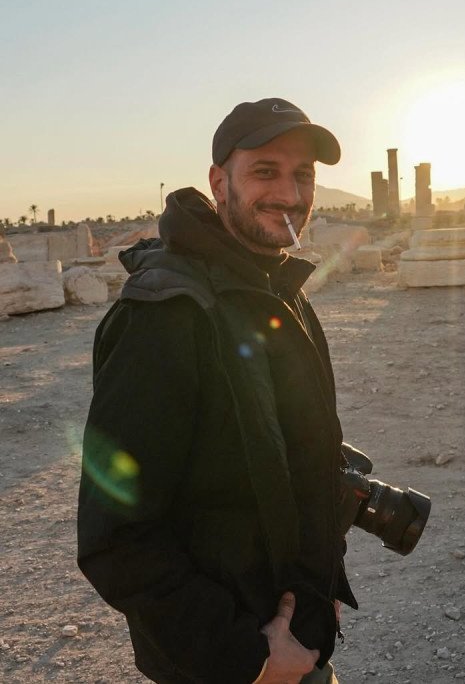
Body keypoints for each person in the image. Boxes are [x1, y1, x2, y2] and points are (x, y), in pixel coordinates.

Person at [77, 98, 356, 684]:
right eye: (264, 171)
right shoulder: (163, 314)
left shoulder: (282, 288)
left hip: (298, 646)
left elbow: (295, 455)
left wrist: (323, 585)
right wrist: (249, 661)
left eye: (302, 174)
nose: (289, 193)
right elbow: (116, 539)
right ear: (217, 181)